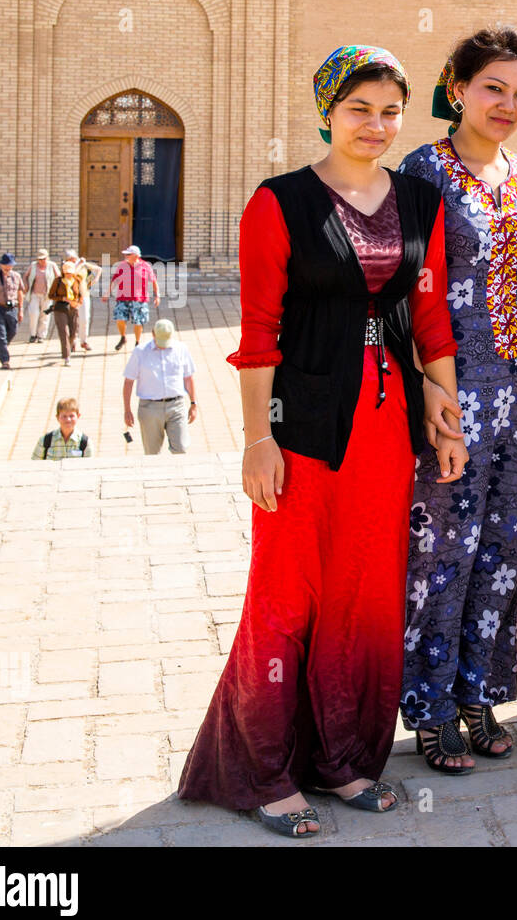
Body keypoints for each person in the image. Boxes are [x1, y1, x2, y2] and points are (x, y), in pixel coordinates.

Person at [178, 45, 460, 838]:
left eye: (391, 110)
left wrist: (444, 408)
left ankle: (344, 761)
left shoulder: (418, 200)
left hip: (384, 427)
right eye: (360, 108)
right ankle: (264, 770)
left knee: (365, 595)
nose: (377, 124)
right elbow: (260, 333)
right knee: (286, 597)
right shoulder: (280, 203)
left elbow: (430, 318)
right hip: (302, 430)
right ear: (327, 110)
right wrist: (256, 439)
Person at [397, 27, 517, 773]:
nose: (507, 104)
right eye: (493, 88)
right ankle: (429, 708)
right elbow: (408, 288)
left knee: (504, 546)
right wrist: (434, 392)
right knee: (442, 549)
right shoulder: (422, 170)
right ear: (457, 86)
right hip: (453, 384)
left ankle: (478, 693)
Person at [122, 318, 197, 452]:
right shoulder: (140, 352)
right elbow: (128, 382)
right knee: (152, 453)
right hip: (149, 408)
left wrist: (193, 403)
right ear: (153, 334)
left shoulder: (181, 349)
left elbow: (188, 378)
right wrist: (127, 410)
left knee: (181, 449)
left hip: (176, 406)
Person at [110, 245, 160, 350]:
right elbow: (115, 280)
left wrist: (157, 296)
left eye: (129, 254)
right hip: (123, 297)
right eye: (126, 254)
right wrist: (107, 292)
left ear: (136, 255)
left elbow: (154, 281)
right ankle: (123, 337)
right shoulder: (122, 266)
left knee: (138, 321)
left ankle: (137, 342)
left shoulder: (145, 266)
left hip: (139, 299)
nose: (126, 256)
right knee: (120, 319)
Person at [47, 257, 86, 366]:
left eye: (70, 272)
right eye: (67, 272)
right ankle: (66, 356)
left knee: (73, 332)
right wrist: (63, 298)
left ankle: (68, 346)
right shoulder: (58, 281)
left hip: (73, 308)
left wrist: (79, 303)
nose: (69, 274)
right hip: (61, 308)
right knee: (64, 332)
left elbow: (81, 294)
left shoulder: (77, 280)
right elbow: (51, 295)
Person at [66, 249, 103, 351]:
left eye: (74, 258)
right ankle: (72, 341)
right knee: (73, 320)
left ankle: (84, 341)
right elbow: (71, 275)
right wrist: (80, 265)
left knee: (84, 318)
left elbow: (99, 269)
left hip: (84, 295)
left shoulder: (83, 265)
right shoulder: (67, 266)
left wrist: (94, 280)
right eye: (71, 259)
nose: (73, 261)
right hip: (72, 297)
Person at [24, 250, 57, 343]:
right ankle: (33, 334)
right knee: (33, 314)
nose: (42, 261)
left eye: (44, 259)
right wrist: (26, 285)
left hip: (47, 295)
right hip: (34, 294)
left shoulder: (52, 265)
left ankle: (41, 335)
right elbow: (25, 276)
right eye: (40, 259)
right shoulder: (33, 265)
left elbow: (58, 277)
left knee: (45, 315)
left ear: (48, 258)